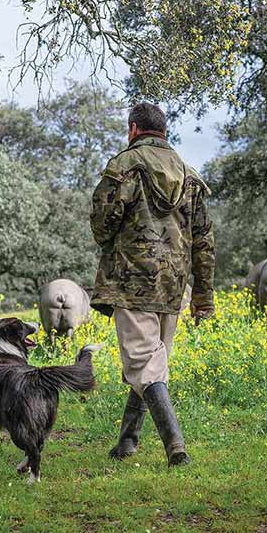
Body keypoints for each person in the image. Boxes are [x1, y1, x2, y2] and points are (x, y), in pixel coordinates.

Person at [89, 102, 215, 466]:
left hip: (131, 282)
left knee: (144, 365)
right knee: (152, 365)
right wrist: (203, 297)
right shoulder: (190, 176)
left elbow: (102, 227)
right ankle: (128, 441)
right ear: (164, 131)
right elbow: (204, 242)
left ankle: (176, 447)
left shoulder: (123, 167)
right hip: (173, 287)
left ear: (132, 130)